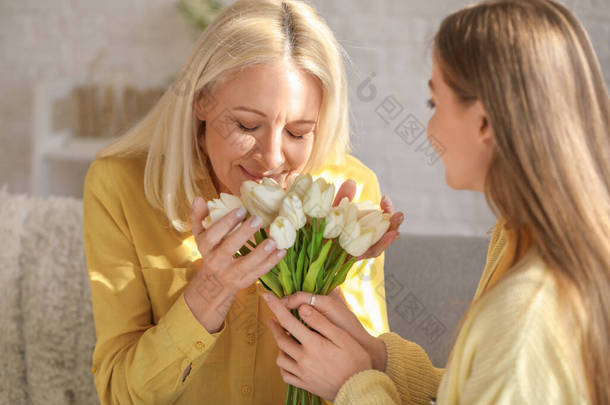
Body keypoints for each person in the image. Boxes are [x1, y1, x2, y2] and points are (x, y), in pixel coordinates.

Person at [264, 0, 610, 404]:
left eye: (434, 103)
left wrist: (351, 387)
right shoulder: (516, 239)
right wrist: (378, 359)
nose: (427, 128)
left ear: (483, 123)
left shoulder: (527, 313)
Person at [82, 0, 404, 404]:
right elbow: (118, 394)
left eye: (299, 132)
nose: (271, 158)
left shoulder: (345, 193)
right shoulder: (121, 188)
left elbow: (367, 385)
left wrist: (325, 272)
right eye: (247, 125)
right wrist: (210, 292)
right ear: (201, 100)